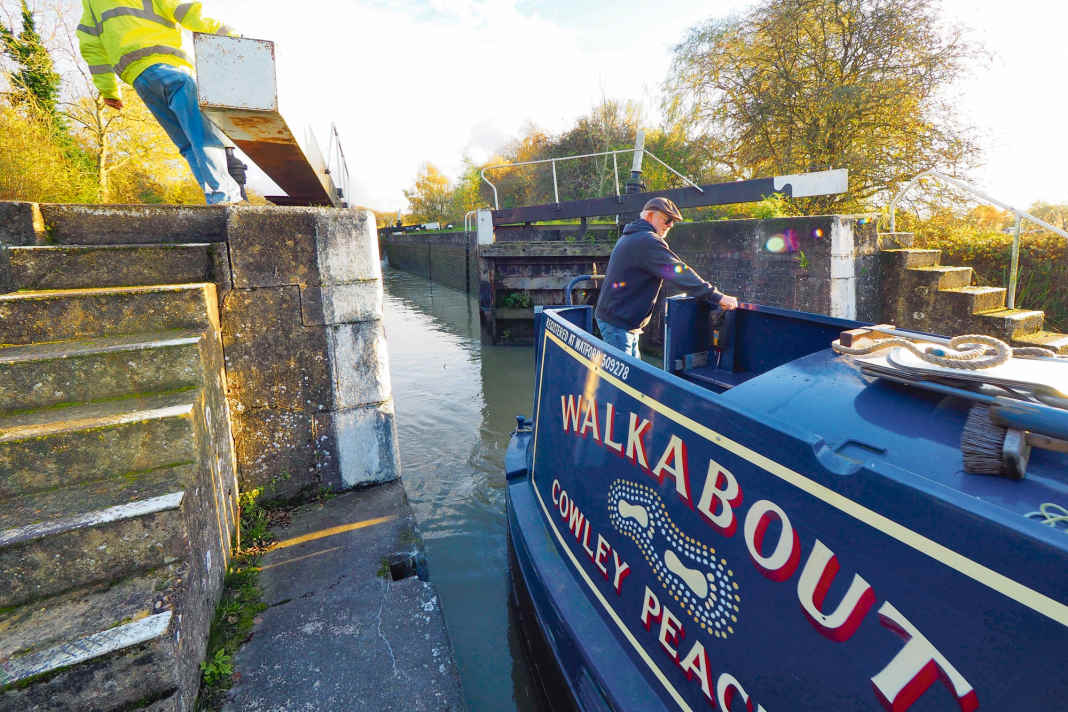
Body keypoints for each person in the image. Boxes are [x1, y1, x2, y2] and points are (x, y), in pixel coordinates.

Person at [77, 0, 244, 205]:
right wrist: (227, 33)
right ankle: (225, 197)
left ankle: (215, 197)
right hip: (170, 68)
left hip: (140, 79)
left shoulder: (92, 5)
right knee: (203, 135)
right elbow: (185, 11)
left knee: (186, 143)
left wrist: (109, 90)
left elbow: (91, 48)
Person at [595, 197, 739, 358]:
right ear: (649, 216)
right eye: (667, 219)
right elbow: (679, 272)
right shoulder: (646, 240)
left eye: (673, 222)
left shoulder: (631, 236)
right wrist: (717, 296)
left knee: (632, 372)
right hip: (619, 324)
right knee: (623, 377)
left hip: (620, 321)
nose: (670, 225)